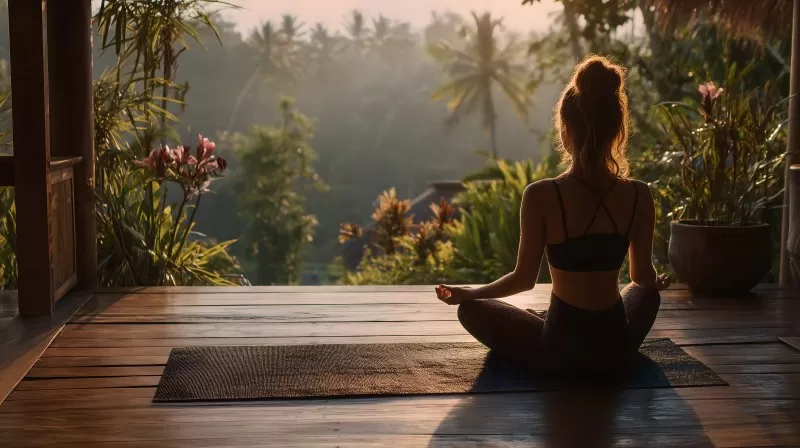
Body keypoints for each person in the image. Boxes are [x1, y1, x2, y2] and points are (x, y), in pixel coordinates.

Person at [435, 55, 670, 375]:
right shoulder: (639, 194)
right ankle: (584, 341)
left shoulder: (542, 195)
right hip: (615, 345)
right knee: (648, 294)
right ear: (618, 129)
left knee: (470, 310)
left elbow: (523, 279)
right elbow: (642, 277)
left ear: (565, 129)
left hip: (560, 347)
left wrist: (469, 293)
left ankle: (543, 323)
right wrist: (657, 281)